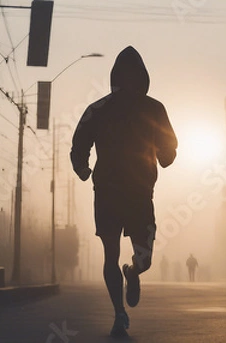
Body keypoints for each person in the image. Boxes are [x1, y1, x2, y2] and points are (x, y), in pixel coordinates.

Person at [70, 46, 178, 337]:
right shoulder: (99, 109)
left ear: (142, 78)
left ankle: (133, 272)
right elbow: (79, 143)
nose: (130, 81)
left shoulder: (154, 109)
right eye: (125, 75)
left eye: (135, 76)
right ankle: (119, 314)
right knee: (109, 254)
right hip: (106, 191)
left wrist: (166, 155)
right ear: (117, 77)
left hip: (141, 193)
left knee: (145, 258)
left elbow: (170, 147)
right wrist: (82, 167)